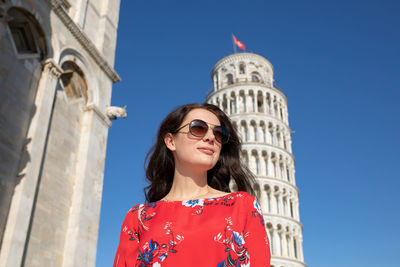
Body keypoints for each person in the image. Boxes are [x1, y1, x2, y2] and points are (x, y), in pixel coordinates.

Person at [113, 103, 271, 267]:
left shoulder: (242, 205)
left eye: (218, 133)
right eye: (198, 128)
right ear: (171, 141)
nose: (210, 138)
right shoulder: (138, 217)